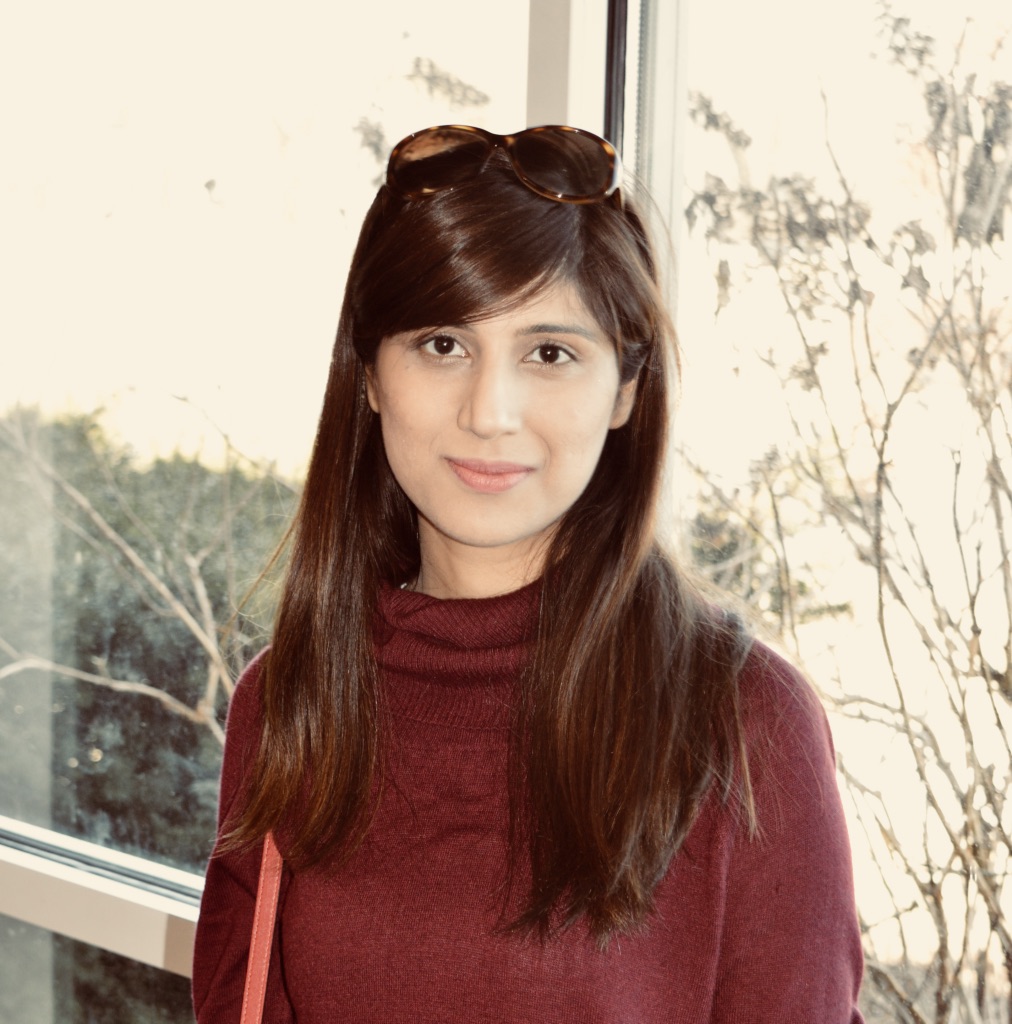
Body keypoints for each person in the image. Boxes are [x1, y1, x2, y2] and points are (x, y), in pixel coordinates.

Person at [192, 124, 865, 1023]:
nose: (490, 412)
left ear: (625, 389)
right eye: (443, 344)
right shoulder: (292, 701)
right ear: (371, 374)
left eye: (550, 353)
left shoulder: (743, 722)